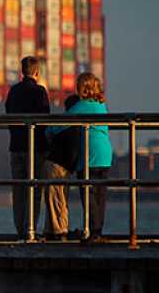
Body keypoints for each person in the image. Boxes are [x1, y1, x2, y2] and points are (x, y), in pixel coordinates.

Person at [45, 73, 112, 242]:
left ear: (83, 88)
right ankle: (98, 231)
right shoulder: (101, 106)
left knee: (88, 194)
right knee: (100, 196)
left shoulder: (82, 106)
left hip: (90, 156)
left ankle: (93, 232)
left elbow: (58, 126)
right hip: (105, 155)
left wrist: (48, 132)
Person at [4, 56, 50, 239]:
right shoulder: (40, 92)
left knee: (18, 190)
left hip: (15, 146)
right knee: (34, 189)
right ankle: (30, 229)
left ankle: (20, 231)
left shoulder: (13, 91)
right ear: (37, 72)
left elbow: (8, 113)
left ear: (22, 72)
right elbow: (45, 118)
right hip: (35, 148)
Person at [42, 94, 81, 240]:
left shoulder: (59, 124)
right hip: (58, 166)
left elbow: (48, 134)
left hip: (54, 164)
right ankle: (60, 232)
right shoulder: (73, 125)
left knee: (54, 200)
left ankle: (50, 231)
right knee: (59, 200)